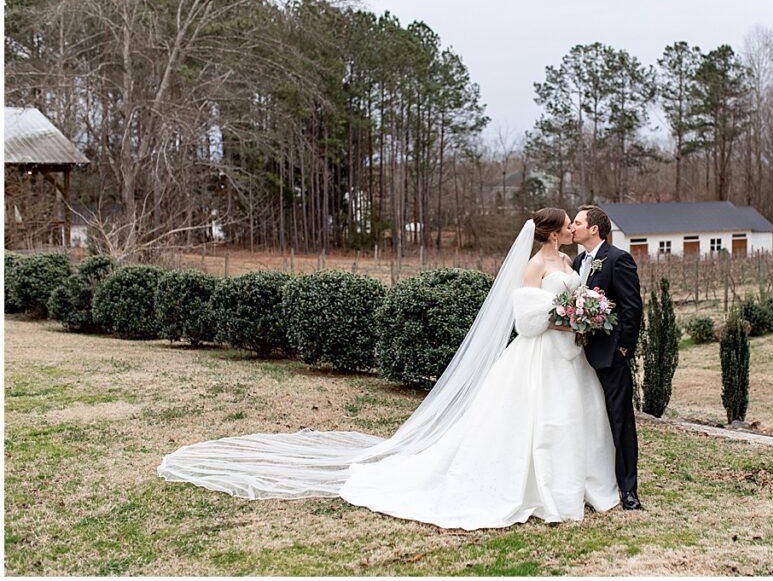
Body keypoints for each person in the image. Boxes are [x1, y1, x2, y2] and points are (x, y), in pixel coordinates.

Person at [159, 208, 620, 530]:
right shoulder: (535, 264)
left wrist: (581, 313)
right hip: (538, 356)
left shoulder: (568, 261)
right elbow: (525, 318)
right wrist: (563, 315)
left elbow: (574, 293)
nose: (571, 230)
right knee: (537, 423)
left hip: (568, 357)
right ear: (552, 232)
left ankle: (579, 486)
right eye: (567, 226)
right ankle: (538, 490)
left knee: (570, 420)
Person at [571, 205, 643, 510]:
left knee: (619, 419)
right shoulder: (576, 262)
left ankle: (628, 489)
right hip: (578, 355)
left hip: (610, 354)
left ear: (594, 230)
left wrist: (623, 349)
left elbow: (632, 307)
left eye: (577, 223)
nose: (572, 227)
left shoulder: (618, 259)